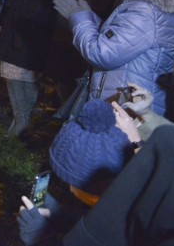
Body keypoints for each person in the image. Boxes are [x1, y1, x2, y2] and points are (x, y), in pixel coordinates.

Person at [17, 99, 135, 245]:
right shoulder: (124, 203)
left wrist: (39, 237)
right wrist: (59, 215)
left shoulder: (110, 234)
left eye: (68, 180)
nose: (68, 187)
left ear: (89, 186)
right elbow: (89, 219)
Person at [0, 0, 57, 136]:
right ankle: (20, 120)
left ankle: (22, 123)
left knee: (28, 81)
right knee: (12, 78)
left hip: (33, 41)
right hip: (14, 37)